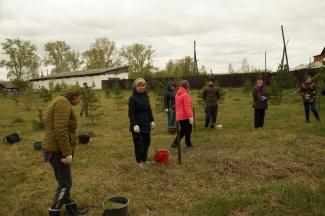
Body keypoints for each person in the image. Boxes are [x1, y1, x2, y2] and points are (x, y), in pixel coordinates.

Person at [43, 85, 88, 216]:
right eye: (80, 98)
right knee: (65, 184)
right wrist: (67, 152)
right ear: (74, 96)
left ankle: (72, 210)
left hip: (56, 149)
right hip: (58, 150)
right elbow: (60, 130)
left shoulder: (61, 100)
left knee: (64, 181)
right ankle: (54, 212)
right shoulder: (63, 103)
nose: (80, 101)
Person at [128, 78, 155, 166]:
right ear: (135, 87)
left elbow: (149, 109)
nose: (141, 87)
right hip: (137, 126)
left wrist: (152, 120)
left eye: (143, 85)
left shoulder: (146, 96)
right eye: (139, 86)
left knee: (147, 142)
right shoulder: (132, 98)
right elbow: (131, 113)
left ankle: (144, 159)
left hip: (146, 124)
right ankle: (139, 161)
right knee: (138, 144)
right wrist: (135, 124)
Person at [171, 80, 194, 148]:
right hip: (185, 116)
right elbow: (187, 107)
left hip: (180, 116)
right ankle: (188, 144)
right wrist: (190, 117)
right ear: (187, 86)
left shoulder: (177, 94)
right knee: (188, 131)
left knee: (183, 131)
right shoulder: (185, 95)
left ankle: (175, 143)